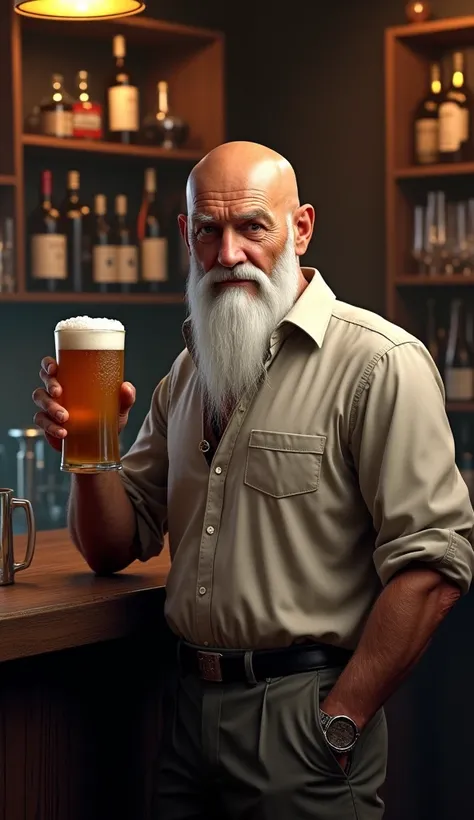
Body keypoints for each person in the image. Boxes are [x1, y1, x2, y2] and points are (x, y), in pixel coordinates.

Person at [32, 141, 474, 820]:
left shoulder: (379, 362)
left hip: (303, 723)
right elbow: (116, 545)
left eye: (252, 228)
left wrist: (342, 716)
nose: (228, 252)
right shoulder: (186, 373)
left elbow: (435, 564)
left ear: (300, 227)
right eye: (208, 230)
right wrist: (90, 454)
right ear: (186, 235)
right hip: (185, 715)